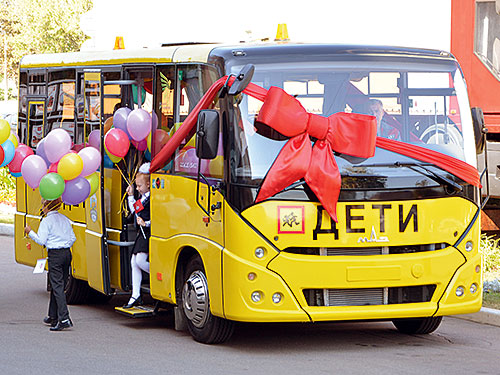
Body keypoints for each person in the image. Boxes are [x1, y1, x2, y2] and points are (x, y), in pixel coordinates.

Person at [24, 198, 76, 331]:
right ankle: (53, 315)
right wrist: (64, 245)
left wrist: (30, 232)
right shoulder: (65, 218)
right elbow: (73, 238)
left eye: (43, 205)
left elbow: (41, 241)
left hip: (55, 255)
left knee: (57, 286)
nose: (42, 207)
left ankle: (64, 318)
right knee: (59, 284)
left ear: (47, 207)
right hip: (66, 253)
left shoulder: (47, 221)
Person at [123, 162, 151, 308]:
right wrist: (131, 196)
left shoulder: (152, 199)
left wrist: (146, 223)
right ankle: (135, 294)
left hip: (147, 233)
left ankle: (157, 273)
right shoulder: (142, 198)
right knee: (134, 262)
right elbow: (135, 211)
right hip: (141, 233)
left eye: (139, 186)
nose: (138, 188)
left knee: (140, 261)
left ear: (148, 184)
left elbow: (157, 218)